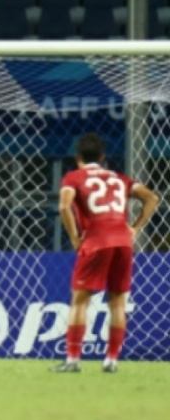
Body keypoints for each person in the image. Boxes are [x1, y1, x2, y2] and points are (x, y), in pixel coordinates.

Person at [53, 132, 159, 374]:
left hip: (96, 240)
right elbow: (152, 198)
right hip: (123, 242)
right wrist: (135, 228)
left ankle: (73, 360)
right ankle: (111, 360)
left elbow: (63, 205)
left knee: (80, 301)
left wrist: (73, 236)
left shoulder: (74, 177)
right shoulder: (120, 178)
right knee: (118, 304)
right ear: (102, 157)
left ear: (78, 157)